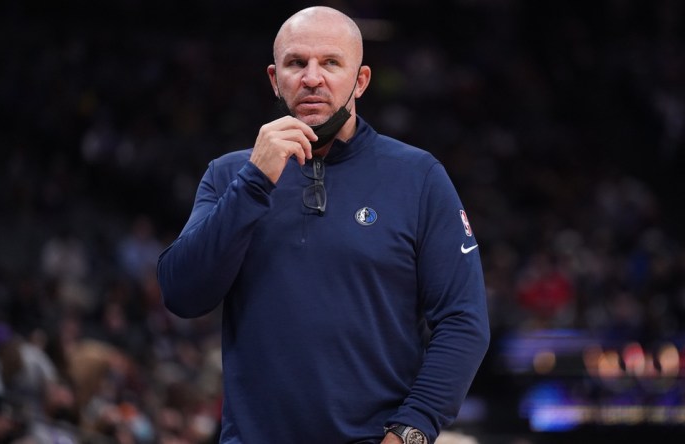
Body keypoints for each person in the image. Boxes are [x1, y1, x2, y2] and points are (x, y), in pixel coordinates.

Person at [157, 6, 490, 444]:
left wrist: (412, 429)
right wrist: (255, 182)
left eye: (331, 63)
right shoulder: (230, 175)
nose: (312, 77)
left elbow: (464, 321)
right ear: (276, 79)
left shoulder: (418, 177)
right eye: (297, 63)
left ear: (361, 80)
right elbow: (182, 293)